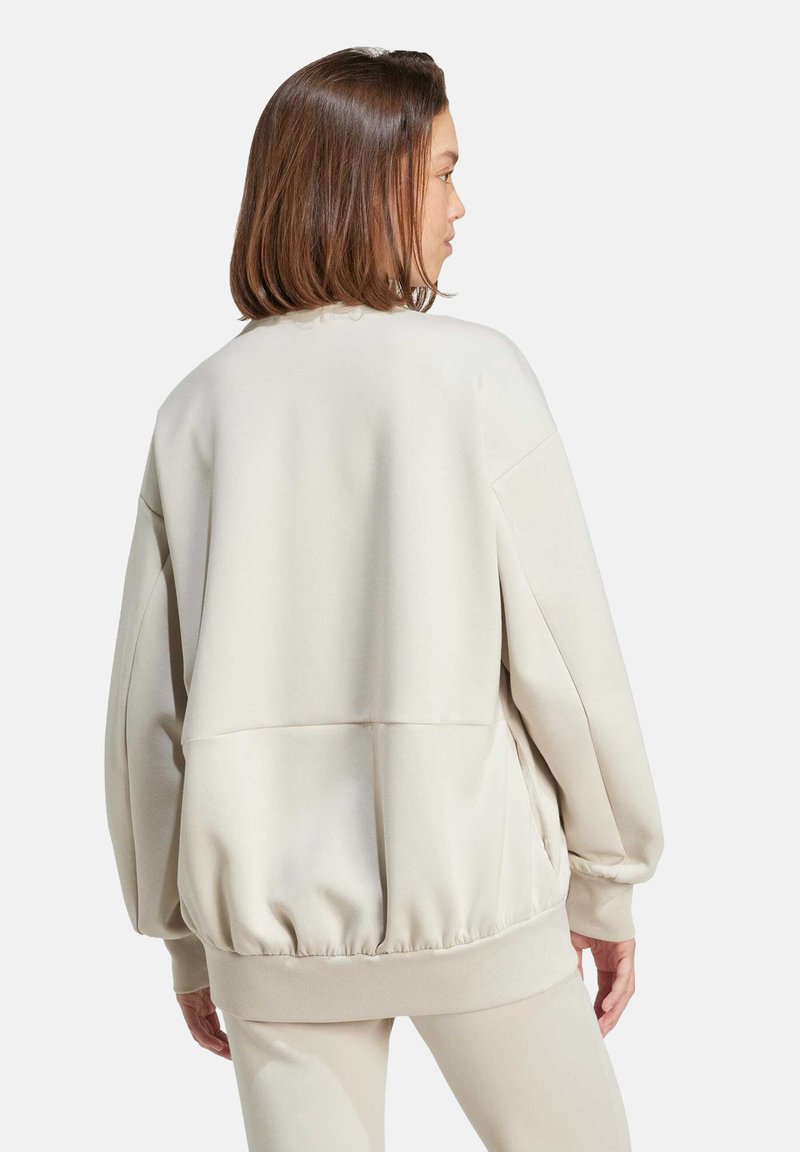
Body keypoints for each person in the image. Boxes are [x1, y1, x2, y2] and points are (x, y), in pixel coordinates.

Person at [104, 46, 664, 1151]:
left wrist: (184, 938)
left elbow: (146, 716)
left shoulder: (197, 412)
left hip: (271, 933)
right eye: (444, 172)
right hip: (478, 901)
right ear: (369, 184)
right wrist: (605, 883)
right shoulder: (474, 377)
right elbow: (567, 661)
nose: (461, 206)